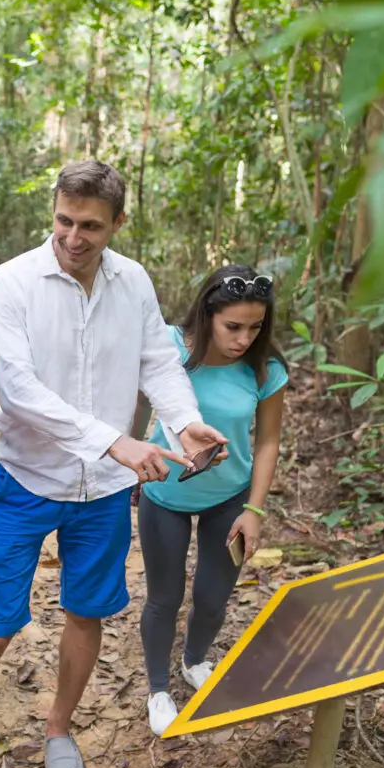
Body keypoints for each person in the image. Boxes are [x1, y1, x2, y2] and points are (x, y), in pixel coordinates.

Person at [0, 160, 228, 768]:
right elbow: (21, 390)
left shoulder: (134, 282)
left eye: (90, 226)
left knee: (86, 613)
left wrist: (183, 421)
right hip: (28, 481)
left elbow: (159, 360)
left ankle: (58, 728)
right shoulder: (11, 284)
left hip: (104, 495)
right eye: (64, 220)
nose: (73, 236)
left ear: (117, 223)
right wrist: (114, 441)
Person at [139, 265, 288, 736]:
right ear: (207, 315)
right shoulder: (166, 346)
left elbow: (267, 442)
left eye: (255, 327)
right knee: (165, 597)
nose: (244, 338)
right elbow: (135, 397)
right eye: (233, 327)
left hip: (231, 496)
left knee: (212, 596)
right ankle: (159, 690)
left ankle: (195, 661)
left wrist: (255, 509)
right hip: (165, 493)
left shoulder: (265, 369)